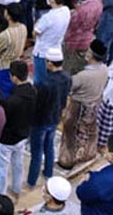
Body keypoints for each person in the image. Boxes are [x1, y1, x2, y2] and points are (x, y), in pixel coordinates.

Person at [58, 40, 109, 170]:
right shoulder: (104, 69)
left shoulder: (83, 76)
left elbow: (70, 87)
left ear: (91, 55)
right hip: (94, 104)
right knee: (89, 131)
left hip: (79, 106)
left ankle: (67, 160)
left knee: (71, 134)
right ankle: (88, 153)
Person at [26, 47, 70, 188]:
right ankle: (48, 173)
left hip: (40, 120)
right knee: (49, 146)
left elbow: (38, 105)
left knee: (37, 152)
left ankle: (31, 181)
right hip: (55, 117)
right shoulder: (67, 78)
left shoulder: (44, 83)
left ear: (50, 63)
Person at [0, 60, 36, 198]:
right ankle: (16, 188)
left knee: (1, 170)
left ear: (14, 77)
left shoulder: (11, 101)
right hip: (23, 134)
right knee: (18, 164)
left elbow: (3, 120)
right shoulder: (33, 91)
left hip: (7, 138)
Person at [63, 0, 102, 75]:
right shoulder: (99, 4)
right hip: (87, 39)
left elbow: (73, 24)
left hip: (74, 40)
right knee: (81, 65)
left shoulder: (84, 8)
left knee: (68, 67)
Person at [0, 3, 27, 98]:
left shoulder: (5, 35)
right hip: (16, 65)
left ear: (8, 15)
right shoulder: (23, 28)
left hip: (2, 67)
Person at [32, 0, 71, 84]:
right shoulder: (66, 11)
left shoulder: (48, 17)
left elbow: (35, 32)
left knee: (40, 82)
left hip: (42, 52)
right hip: (57, 49)